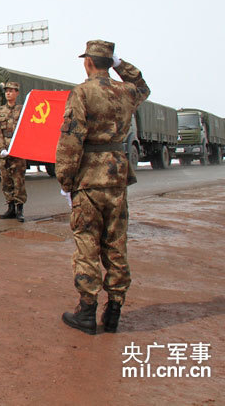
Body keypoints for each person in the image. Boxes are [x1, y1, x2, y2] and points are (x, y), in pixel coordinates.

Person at [56, 40, 150, 335]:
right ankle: (114, 311)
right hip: (117, 178)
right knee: (115, 242)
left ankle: (86, 312)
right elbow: (143, 86)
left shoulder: (82, 92)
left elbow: (71, 140)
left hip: (88, 179)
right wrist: (121, 65)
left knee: (87, 243)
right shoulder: (127, 92)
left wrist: (65, 180)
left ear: (88, 62)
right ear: (109, 63)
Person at [0, 81, 27, 222]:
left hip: (18, 149)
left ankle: (19, 208)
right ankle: (10, 208)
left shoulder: (23, 110)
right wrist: (1, 148)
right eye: (7, 91)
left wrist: (21, 147)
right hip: (4, 149)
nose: (9, 93)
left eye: (12, 91)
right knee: (6, 180)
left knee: (18, 179)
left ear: (17, 93)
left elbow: (26, 130)